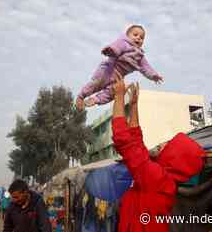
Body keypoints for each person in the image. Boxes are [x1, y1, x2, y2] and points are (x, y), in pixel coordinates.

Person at [111, 77, 205, 232]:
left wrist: (119, 96)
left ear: (176, 157)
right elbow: (136, 143)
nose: (162, 145)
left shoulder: (158, 179)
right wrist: (133, 106)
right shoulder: (162, 179)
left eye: (169, 144)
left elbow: (124, 142)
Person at [76, 24, 164, 110]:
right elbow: (116, 47)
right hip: (108, 70)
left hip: (118, 77)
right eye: (135, 35)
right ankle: (81, 96)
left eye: (141, 38)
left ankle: (96, 99)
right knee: (95, 84)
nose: (138, 38)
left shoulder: (140, 56)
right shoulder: (124, 43)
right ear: (127, 36)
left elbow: (146, 68)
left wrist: (154, 76)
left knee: (113, 92)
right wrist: (110, 50)